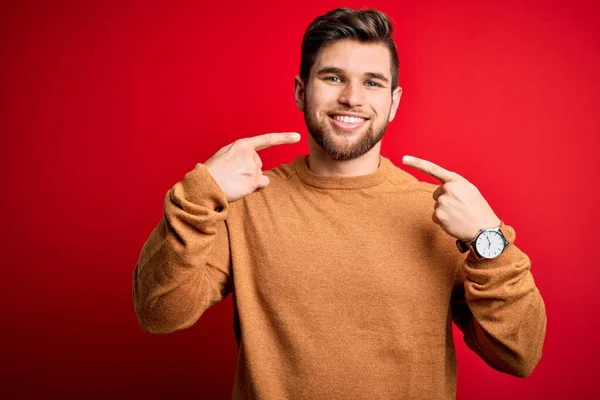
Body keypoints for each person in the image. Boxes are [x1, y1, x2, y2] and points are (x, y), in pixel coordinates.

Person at [132, 7, 547, 399]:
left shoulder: (439, 214)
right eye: (333, 78)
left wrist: (487, 239)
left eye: (371, 82)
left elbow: (519, 354)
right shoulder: (246, 204)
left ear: (394, 102)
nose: (352, 98)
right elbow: (159, 312)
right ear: (300, 91)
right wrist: (198, 195)